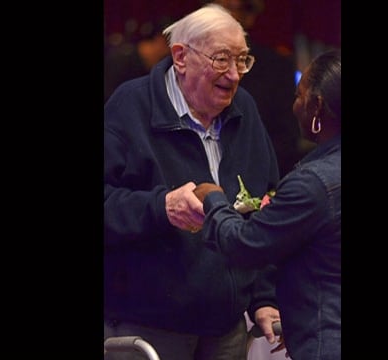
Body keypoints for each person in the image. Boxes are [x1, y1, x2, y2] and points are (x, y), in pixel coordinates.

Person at [104, 3, 281, 360]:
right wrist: (161, 207)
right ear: (181, 57)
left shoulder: (244, 109)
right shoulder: (130, 107)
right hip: (150, 327)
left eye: (242, 60)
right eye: (221, 59)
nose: (234, 75)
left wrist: (264, 297)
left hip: (226, 325)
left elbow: (267, 210)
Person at [193, 48, 342, 360]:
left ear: (316, 106)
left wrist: (213, 200)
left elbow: (246, 244)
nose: (294, 105)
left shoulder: (314, 184)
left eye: (299, 96)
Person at [206, 0, 307, 178]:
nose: (223, 19)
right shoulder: (189, 62)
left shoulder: (276, 67)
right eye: (219, 9)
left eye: (232, 9)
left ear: (249, 17)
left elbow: (286, 139)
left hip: (255, 180)